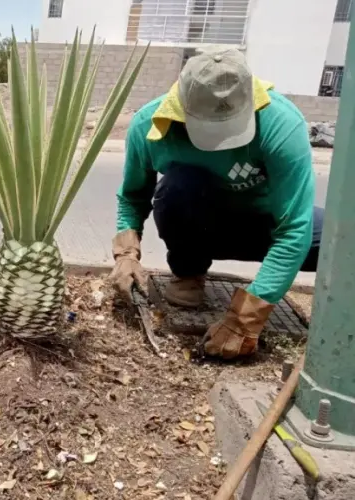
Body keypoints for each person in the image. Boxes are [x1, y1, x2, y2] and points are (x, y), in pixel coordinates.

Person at [109, 47, 323, 360]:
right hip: (201, 226)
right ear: (183, 107)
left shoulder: (281, 123)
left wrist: (245, 319)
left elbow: (295, 227)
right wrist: (126, 253)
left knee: (344, 242)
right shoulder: (149, 126)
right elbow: (133, 196)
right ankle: (189, 274)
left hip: (266, 225)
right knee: (178, 187)